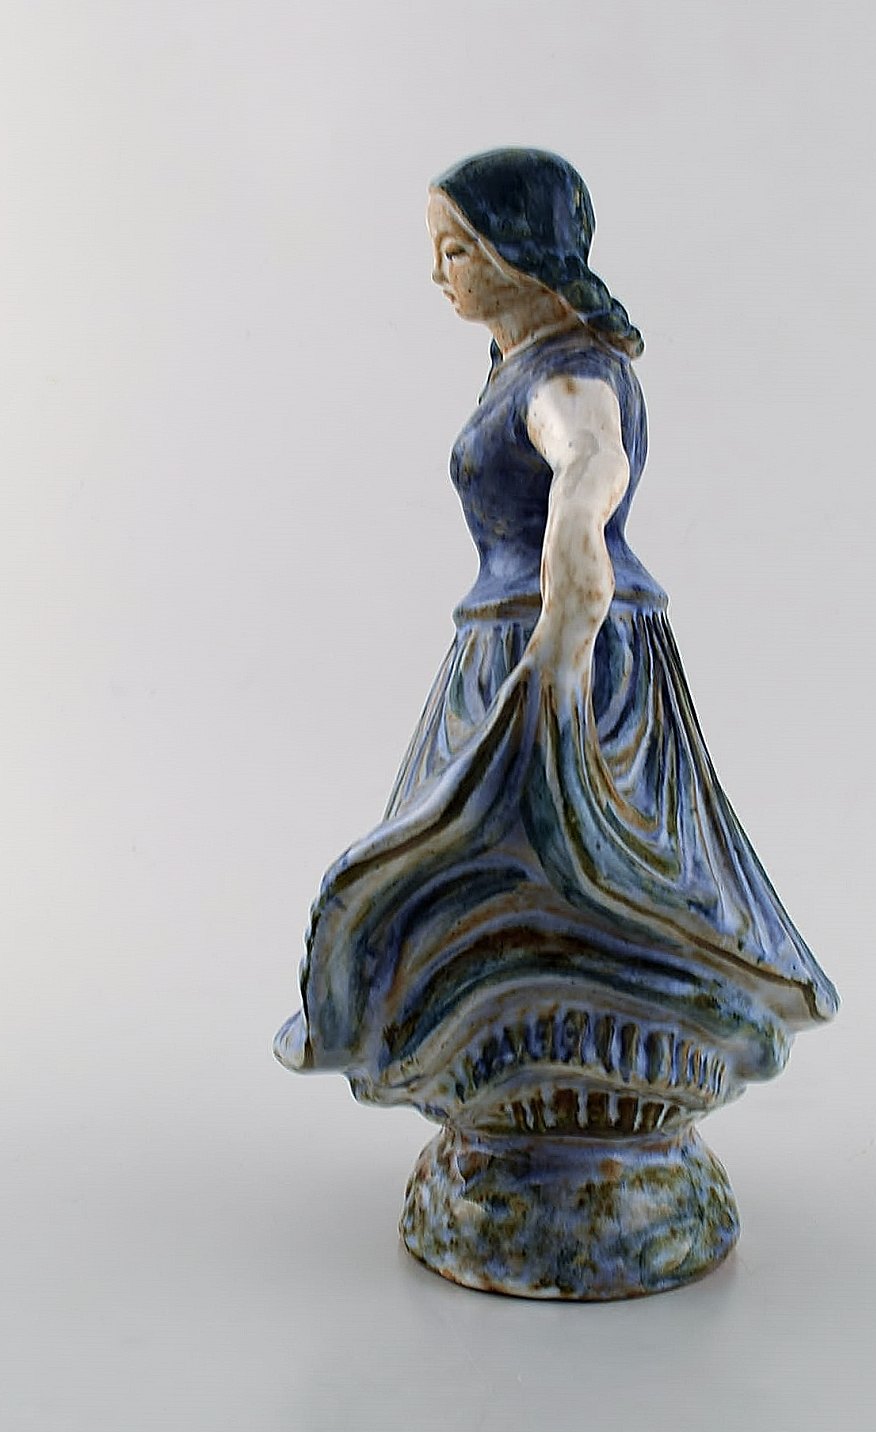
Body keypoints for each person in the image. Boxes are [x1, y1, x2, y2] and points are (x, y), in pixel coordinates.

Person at [274, 149, 837, 1114]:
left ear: (517, 252)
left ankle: (590, 1077)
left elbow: (590, 463)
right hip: (508, 638)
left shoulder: (569, 373)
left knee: (554, 876)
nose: (438, 274)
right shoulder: (524, 365)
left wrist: (561, 647)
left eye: (456, 250)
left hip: (555, 644)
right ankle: (508, 1079)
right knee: (477, 877)